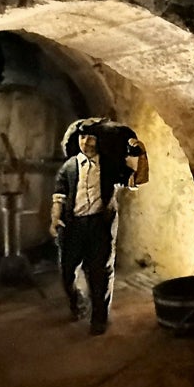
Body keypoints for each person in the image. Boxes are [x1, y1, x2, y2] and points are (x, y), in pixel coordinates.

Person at [50, 117, 148, 335]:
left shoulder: (110, 166)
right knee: (67, 272)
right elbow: (59, 196)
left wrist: (142, 155)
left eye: (92, 138)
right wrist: (55, 218)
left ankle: (99, 319)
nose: (86, 142)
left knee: (100, 273)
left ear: (99, 141)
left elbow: (139, 180)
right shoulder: (69, 168)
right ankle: (78, 303)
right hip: (73, 226)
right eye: (83, 137)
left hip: (99, 226)